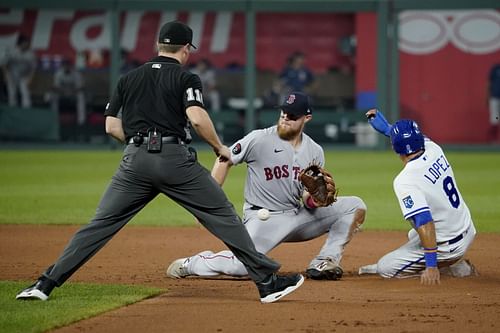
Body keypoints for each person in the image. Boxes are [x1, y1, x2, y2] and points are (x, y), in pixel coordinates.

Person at [16, 20, 303, 304]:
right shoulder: (186, 78)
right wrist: (219, 148)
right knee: (222, 216)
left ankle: (44, 284)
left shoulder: (128, 78)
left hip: (134, 161)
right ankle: (266, 282)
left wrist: (138, 147)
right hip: (174, 160)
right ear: (187, 49)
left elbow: (111, 127)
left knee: (99, 225)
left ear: (158, 45)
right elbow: (197, 118)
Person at [166, 92, 366, 281]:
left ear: (307, 118)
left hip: (297, 216)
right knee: (241, 267)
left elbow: (306, 196)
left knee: (355, 206)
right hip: (264, 218)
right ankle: (194, 264)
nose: (286, 117)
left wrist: (314, 199)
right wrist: (207, 201)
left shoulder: (315, 150)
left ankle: (324, 262)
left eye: (293, 115)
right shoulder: (259, 139)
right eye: (283, 112)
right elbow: (224, 159)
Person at [358, 109, 477, 285]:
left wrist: (431, 266)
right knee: (413, 234)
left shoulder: (405, 180)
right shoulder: (433, 148)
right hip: (467, 229)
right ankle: (450, 262)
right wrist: (387, 129)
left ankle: (452, 268)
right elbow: (409, 139)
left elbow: (424, 221)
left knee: (385, 268)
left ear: (394, 148)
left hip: (448, 247)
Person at [1, 34, 37, 108]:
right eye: (25, 43)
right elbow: (3, 64)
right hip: (11, 75)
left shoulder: (31, 54)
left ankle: (27, 110)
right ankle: (12, 110)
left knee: (25, 92)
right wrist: (6, 75)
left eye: (28, 43)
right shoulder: (12, 51)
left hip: (24, 76)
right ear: (20, 43)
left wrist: (30, 78)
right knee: (12, 93)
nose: (27, 44)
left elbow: (33, 68)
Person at [50, 58, 86, 126]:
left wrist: (72, 91)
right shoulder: (58, 73)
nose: (67, 67)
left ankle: (81, 121)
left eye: (68, 65)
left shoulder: (76, 74)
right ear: (63, 66)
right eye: (65, 65)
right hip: (62, 93)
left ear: (70, 66)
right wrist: (63, 91)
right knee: (53, 96)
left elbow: (81, 87)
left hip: (73, 93)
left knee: (81, 96)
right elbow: (55, 87)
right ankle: (54, 119)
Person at [488, 63, 500, 142]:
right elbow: (488, 84)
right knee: (495, 118)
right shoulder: (496, 68)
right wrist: (487, 97)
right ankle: (494, 140)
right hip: (495, 97)